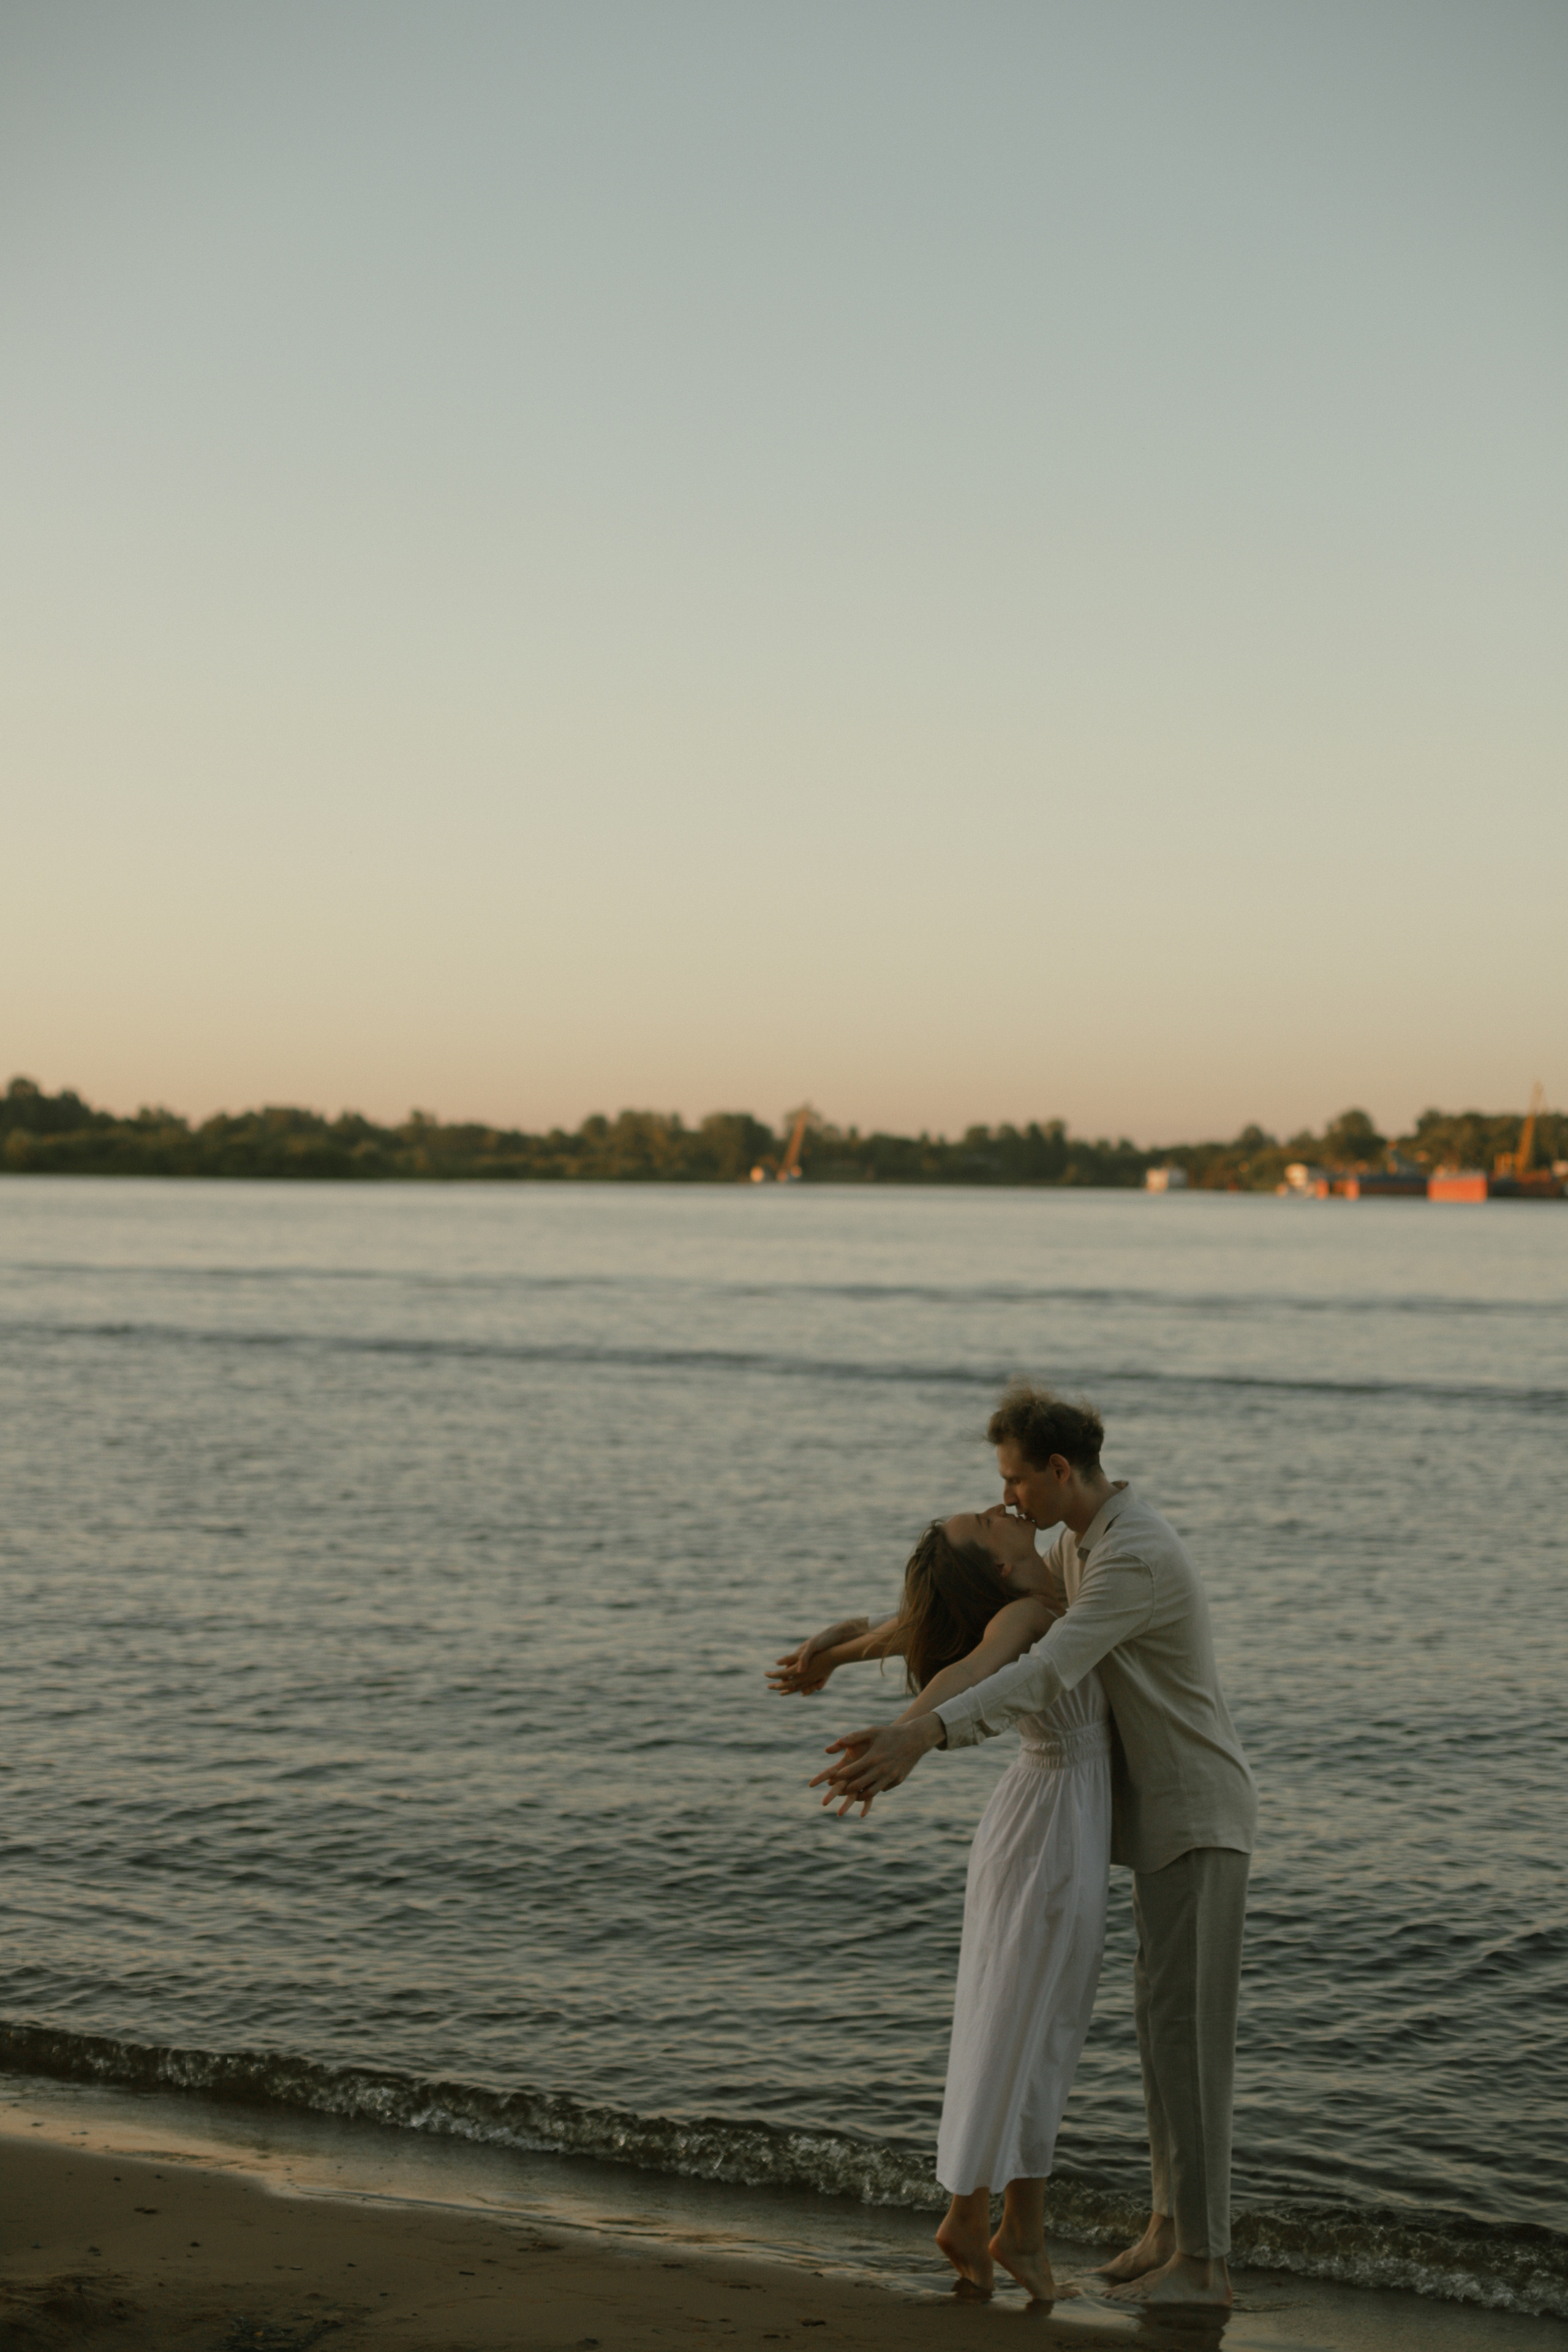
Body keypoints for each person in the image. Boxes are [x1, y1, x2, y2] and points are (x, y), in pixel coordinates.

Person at [803, 1386, 1257, 2312]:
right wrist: (843, 1651)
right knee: (1161, 2036)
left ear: (1059, 1471)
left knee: (1189, 2041)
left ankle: (1204, 2264)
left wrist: (920, 1737)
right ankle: (1170, 2234)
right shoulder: (1071, 1545)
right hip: (1132, 1820)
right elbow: (973, 1625)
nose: (1005, 1498)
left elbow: (1039, 1666)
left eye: (1013, 1479)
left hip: (1195, 1813)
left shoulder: (1132, 1555)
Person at [771, 1508, 1111, 2304]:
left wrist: (834, 1654)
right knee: (1019, 2025)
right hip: (1050, 1827)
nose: (1003, 1511)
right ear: (994, 1568)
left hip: (1059, 1820)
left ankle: (1017, 2228)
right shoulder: (1028, 1612)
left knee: (1042, 2027)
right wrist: (905, 1734)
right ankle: (971, 2216)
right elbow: (969, 1667)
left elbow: (917, 1629)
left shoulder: (1059, 1579)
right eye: (987, 1523)